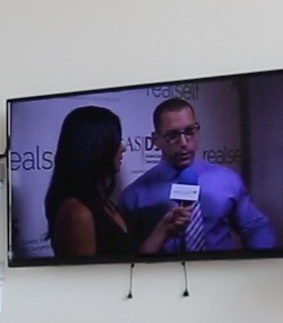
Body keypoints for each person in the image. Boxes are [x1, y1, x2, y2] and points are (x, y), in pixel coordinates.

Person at [121, 98, 276, 254]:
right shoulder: (134, 196)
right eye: (173, 135)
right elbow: (128, 255)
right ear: (156, 140)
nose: (184, 143)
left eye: (190, 131)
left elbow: (256, 228)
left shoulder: (227, 181)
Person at [44, 106, 188, 258]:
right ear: (96, 147)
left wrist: (164, 228)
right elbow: (86, 273)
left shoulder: (102, 202)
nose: (123, 147)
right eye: (116, 140)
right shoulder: (77, 214)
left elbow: (129, 259)